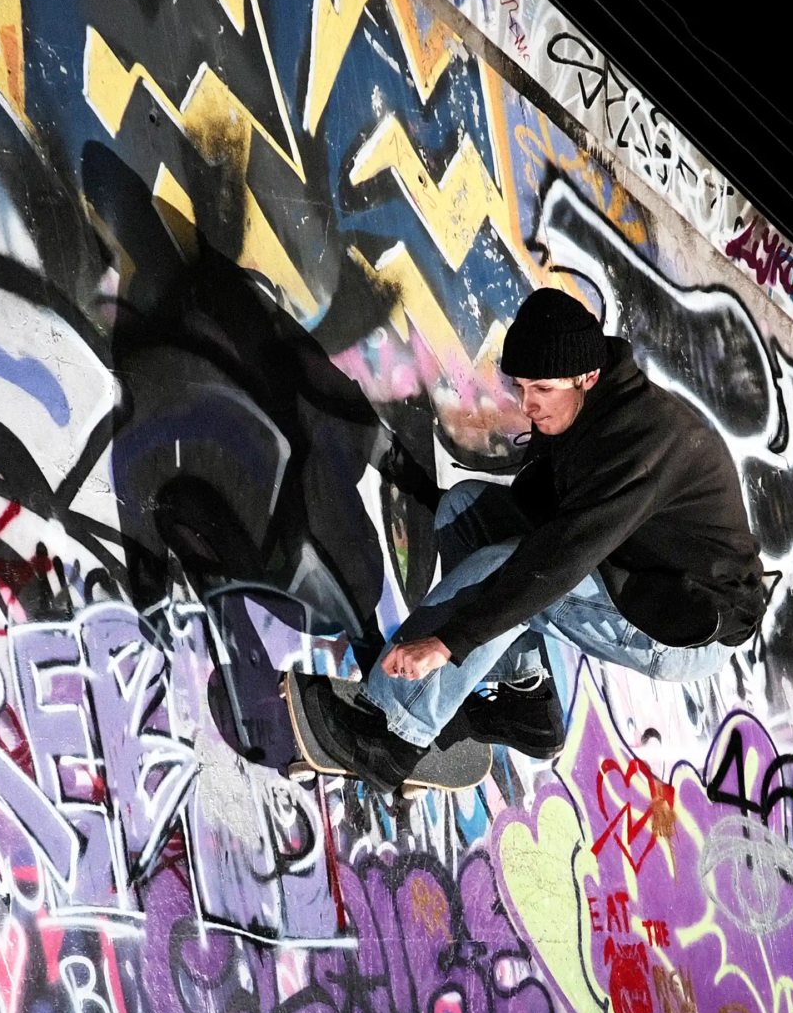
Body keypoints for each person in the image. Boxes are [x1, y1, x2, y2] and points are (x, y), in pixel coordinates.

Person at [294, 288, 766, 791]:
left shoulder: (641, 440)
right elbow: (544, 513)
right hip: (631, 569)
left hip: (682, 622)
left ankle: (390, 734)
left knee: (504, 568)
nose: (527, 404)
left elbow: (558, 560)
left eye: (541, 389)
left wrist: (450, 641)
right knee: (466, 510)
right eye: (519, 387)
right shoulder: (584, 407)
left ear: (587, 376)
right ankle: (525, 700)